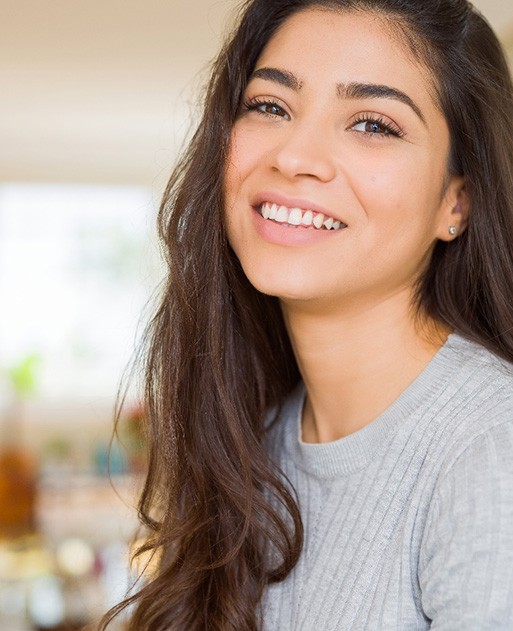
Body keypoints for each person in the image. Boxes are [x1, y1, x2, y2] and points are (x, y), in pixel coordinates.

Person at [100, 0, 513, 629]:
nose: (295, 157)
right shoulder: (251, 442)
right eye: (270, 106)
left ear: (455, 203)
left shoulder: (490, 449)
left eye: (374, 124)